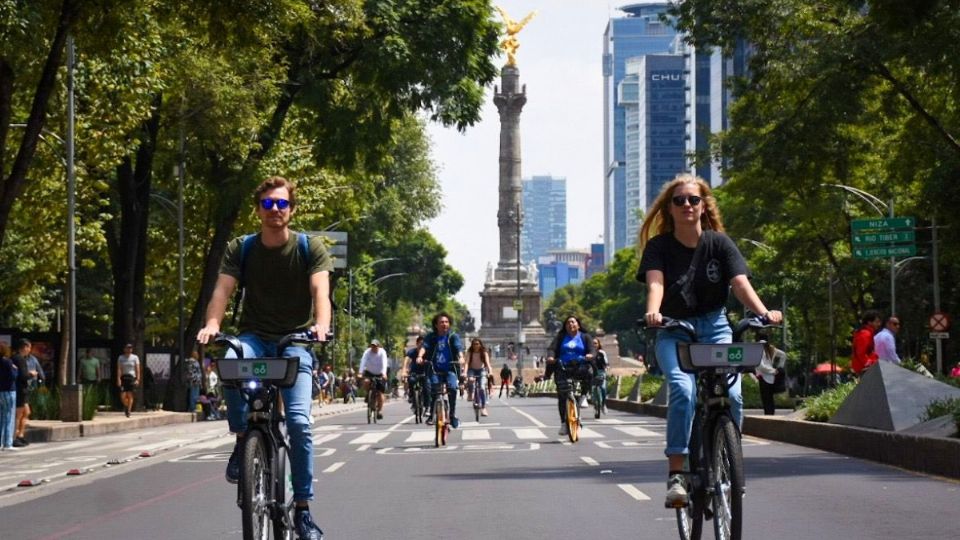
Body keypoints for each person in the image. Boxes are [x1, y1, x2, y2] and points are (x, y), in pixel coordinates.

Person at [196, 175, 332, 540]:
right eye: (268, 204)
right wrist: (212, 323)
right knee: (229, 356)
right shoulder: (241, 248)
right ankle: (243, 438)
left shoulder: (310, 247)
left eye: (282, 204)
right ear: (259, 210)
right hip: (254, 338)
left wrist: (320, 325)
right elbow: (223, 291)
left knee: (300, 424)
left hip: (295, 341)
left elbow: (321, 291)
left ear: (292, 209)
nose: (275, 210)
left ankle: (303, 509)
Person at [637, 173, 782, 507]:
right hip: (674, 329)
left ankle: (728, 459)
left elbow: (740, 284)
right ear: (669, 209)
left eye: (693, 200)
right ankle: (677, 473)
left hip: (715, 327)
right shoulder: (659, 247)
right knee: (683, 390)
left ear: (703, 206)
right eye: (679, 200)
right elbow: (655, 284)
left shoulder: (719, 243)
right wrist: (654, 313)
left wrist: (763, 313)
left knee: (733, 395)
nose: (687, 205)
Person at [545, 315, 596, 435]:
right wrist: (551, 357)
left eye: (573, 322)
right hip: (563, 367)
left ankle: (584, 396)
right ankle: (563, 423)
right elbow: (552, 348)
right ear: (565, 326)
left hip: (580, 366)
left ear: (578, 325)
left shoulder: (585, 337)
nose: (571, 324)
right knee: (562, 396)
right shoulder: (561, 337)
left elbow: (592, 349)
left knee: (589, 372)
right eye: (568, 323)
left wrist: (590, 355)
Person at [416, 312, 465, 428]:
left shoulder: (453, 336)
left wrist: (461, 357)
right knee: (434, 389)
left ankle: (452, 415)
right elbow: (424, 347)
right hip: (434, 369)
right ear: (436, 325)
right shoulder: (431, 337)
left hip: (450, 369)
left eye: (446, 322)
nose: (444, 324)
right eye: (441, 322)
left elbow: (458, 348)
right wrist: (420, 356)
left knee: (452, 388)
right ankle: (432, 414)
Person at [13, 339, 41, 447]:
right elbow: (23, 376)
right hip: (19, 389)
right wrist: (32, 374)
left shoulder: (19, 358)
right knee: (18, 415)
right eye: (28, 347)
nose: (29, 350)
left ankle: (20, 435)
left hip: (23, 390)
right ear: (24, 347)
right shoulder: (19, 359)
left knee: (26, 412)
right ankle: (14, 437)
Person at [755, 333, 787, 415]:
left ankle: (768, 417)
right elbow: (783, 355)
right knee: (770, 399)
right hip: (772, 378)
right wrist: (779, 368)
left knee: (766, 400)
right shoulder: (771, 348)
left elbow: (761, 366)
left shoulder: (758, 349)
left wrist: (773, 371)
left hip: (763, 377)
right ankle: (772, 417)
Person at [358, 339, 388, 420]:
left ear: (378, 346)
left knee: (380, 393)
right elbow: (363, 361)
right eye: (372, 346)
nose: (373, 348)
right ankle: (368, 394)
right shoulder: (367, 352)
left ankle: (380, 411)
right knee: (366, 381)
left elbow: (384, 363)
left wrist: (384, 373)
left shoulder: (382, 352)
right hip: (369, 372)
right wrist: (360, 372)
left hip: (380, 373)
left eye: (375, 346)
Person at [464, 338, 493, 416]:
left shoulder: (484, 353)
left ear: (480, 344)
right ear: (472, 345)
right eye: (474, 344)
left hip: (481, 370)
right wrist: (464, 372)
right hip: (471, 370)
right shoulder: (470, 352)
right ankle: (470, 393)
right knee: (470, 380)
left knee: (482, 388)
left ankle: (483, 408)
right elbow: (466, 363)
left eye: (477, 344)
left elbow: (487, 363)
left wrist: (490, 372)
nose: (476, 346)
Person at [852, 310, 881, 376]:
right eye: (877, 322)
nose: (879, 324)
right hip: (865, 369)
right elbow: (861, 353)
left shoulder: (867, 333)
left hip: (866, 368)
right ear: (869, 322)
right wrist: (870, 365)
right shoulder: (865, 334)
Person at [115, 343, 141, 418]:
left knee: (130, 395)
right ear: (124, 349)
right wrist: (118, 378)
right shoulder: (121, 357)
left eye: (130, 348)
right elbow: (119, 368)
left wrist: (137, 379)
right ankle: (126, 406)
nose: (129, 349)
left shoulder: (135, 357)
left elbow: (137, 369)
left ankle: (129, 411)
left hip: (131, 377)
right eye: (127, 348)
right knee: (122, 395)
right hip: (123, 377)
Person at [1, 342, 17, 451]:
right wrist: (15, 369)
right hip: (8, 390)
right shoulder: (8, 362)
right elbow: (13, 376)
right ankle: (7, 443)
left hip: (0, 391)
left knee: (1, 416)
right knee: (8, 416)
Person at [592, 338, 609, 414]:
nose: (594, 345)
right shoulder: (589, 353)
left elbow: (606, 362)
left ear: (598, 344)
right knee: (592, 390)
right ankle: (595, 406)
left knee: (603, 388)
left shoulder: (602, 353)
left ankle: (603, 404)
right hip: (592, 373)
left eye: (595, 343)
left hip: (601, 372)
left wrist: (606, 367)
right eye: (593, 343)